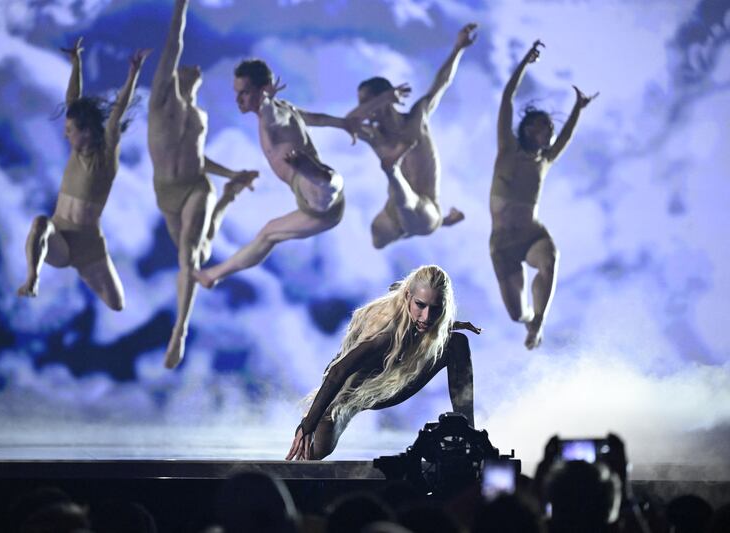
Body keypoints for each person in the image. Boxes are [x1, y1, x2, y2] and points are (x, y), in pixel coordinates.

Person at [148, 0, 259, 368]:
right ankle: (226, 201)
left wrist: (232, 174)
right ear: (175, 77)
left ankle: (179, 331)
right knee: (202, 251)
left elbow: (199, 158)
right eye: (185, 67)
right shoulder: (163, 102)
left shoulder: (199, 116)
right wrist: (181, 6)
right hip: (168, 194)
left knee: (189, 257)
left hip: (197, 185)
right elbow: (173, 44)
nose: (194, 68)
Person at [298, 24, 477, 249]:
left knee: (411, 208)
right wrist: (383, 98)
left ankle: (425, 206)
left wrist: (458, 48)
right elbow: (341, 120)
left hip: (425, 208)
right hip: (394, 210)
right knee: (378, 238)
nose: (366, 110)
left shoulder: (417, 117)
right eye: (363, 104)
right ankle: (435, 219)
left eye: (368, 102)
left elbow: (442, 82)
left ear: (387, 98)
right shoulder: (374, 135)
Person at [286, 265, 481, 460]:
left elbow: (417, 308)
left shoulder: (410, 300)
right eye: (420, 305)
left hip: (389, 381)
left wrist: (451, 325)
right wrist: (308, 424)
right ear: (407, 296)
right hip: (351, 394)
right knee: (315, 452)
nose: (427, 317)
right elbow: (338, 371)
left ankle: (468, 433)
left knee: (457, 343)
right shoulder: (385, 335)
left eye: (436, 308)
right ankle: (311, 429)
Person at [17, 38, 149, 311]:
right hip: (58, 239)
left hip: (88, 246)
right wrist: (76, 62)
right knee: (40, 223)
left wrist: (133, 73)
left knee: (117, 305)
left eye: (70, 131)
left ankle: (98, 278)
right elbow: (73, 101)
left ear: (87, 132)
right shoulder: (76, 153)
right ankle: (32, 280)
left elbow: (118, 112)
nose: (66, 135)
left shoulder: (105, 157)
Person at [193, 59, 345, 289]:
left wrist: (266, 101)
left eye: (245, 92)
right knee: (268, 233)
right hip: (320, 210)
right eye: (237, 93)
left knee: (320, 184)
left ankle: (316, 174)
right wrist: (345, 123)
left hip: (312, 187)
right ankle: (212, 275)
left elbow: (274, 118)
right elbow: (317, 119)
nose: (238, 100)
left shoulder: (272, 113)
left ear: (263, 90)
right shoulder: (287, 108)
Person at [490, 40, 598, 349]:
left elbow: (566, 136)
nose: (549, 130)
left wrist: (578, 108)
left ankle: (538, 323)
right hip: (502, 245)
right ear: (526, 129)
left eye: (550, 128)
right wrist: (525, 63)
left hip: (531, 234)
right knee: (516, 314)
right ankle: (528, 318)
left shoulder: (545, 160)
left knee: (550, 261)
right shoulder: (507, 148)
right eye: (542, 125)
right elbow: (507, 98)